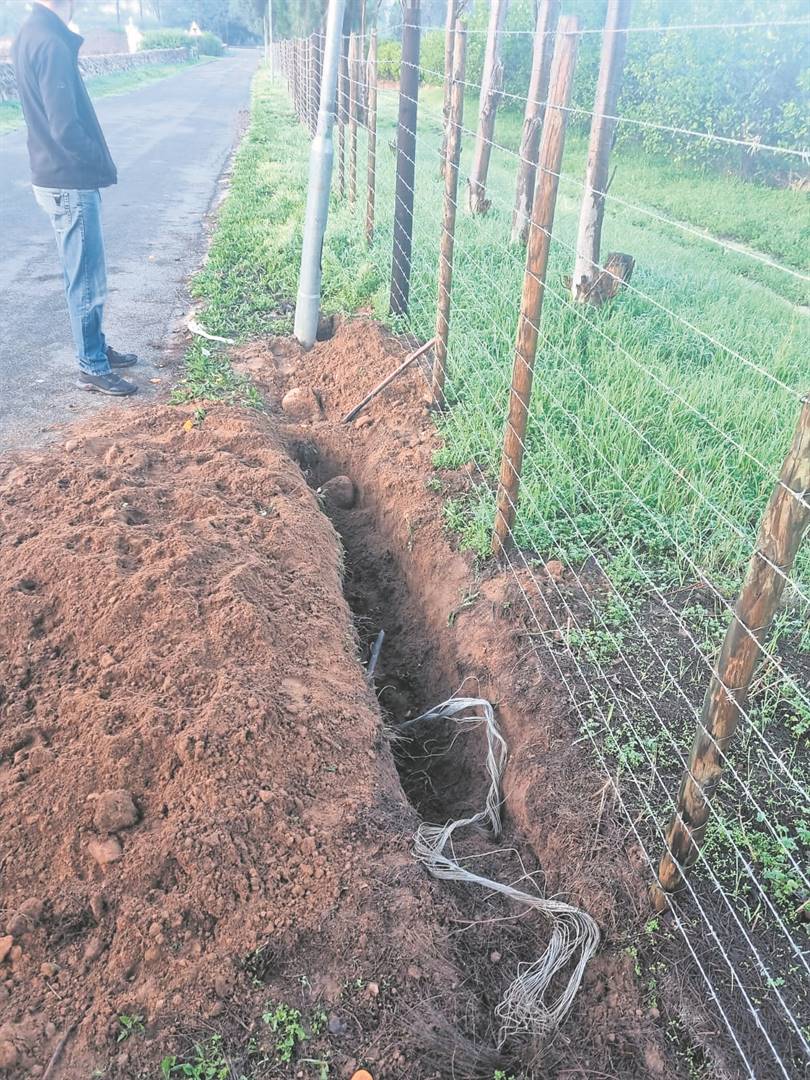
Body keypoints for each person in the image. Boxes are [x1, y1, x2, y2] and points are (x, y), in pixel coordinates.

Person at [12, 0, 138, 396]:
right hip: (69, 181)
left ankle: (95, 348)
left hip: (52, 175)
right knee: (86, 279)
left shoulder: (30, 33)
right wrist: (98, 160)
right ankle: (91, 364)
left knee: (79, 274)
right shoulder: (50, 41)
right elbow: (65, 127)